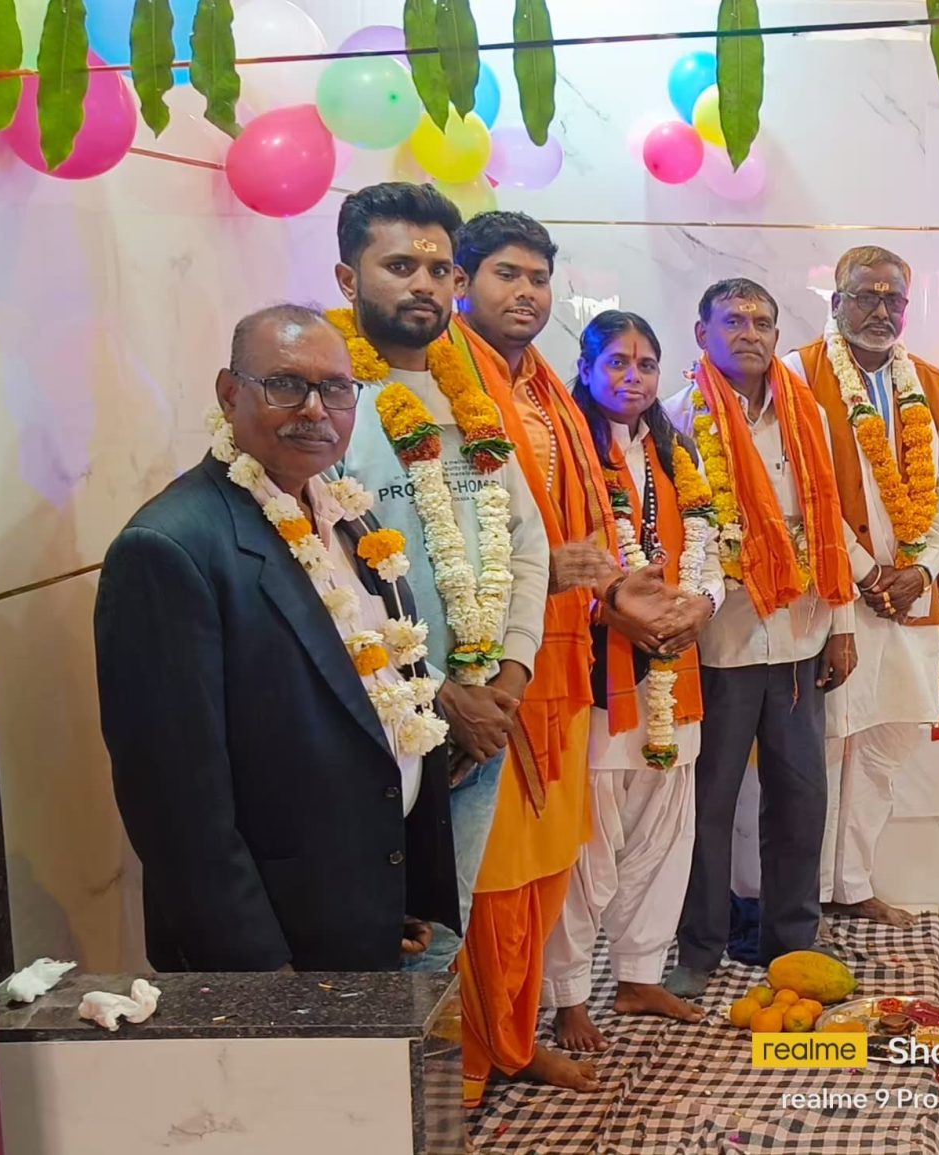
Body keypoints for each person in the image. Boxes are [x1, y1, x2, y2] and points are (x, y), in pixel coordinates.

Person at [97, 305, 454, 972]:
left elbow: (377, 703)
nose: (315, 410)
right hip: (274, 944)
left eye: (336, 388)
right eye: (286, 384)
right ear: (230, 393)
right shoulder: (172, 547)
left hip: (363, 907)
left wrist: (398, 891)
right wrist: (262, 978)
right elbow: (177, 809)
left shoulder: (346, 514)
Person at [449, 214, 709, 1098]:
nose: (526, 292)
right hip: (508, 668)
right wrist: (580, 588)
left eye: (538, 278)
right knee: (517, 867)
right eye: (506, 274)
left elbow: (593, 533)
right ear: (464, 283)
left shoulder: (551, 398)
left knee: (562, 858)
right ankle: (495, 1042)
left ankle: (526, 1029)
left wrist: (648, 598)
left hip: (574, 657)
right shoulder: (451, 384)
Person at [330, 184, 552, 978]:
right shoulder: (330, 402)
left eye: (438, 268)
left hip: (481, 720)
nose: (423, 284)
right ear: (348, 279)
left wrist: (507, 682)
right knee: (375, 943)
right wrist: (435, 694)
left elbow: (527, 544)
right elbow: (326, 578)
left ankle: (438, 1065)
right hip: (376, 726)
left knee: (443, 933)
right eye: (399, 265)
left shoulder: (473, 397)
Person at [667, 278, 859, 997]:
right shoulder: (678, 416)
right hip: (720, 642)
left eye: (762, 322)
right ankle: (699, 948)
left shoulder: (805, 412)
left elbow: (828, 517)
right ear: (702, 333)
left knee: (801, 798)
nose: (749, 333)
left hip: (802, 635)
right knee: (709, 802)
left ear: (777, 335)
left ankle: (792, 940)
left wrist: (842, 626)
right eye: (733, 321)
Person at [544, 310, 724, 1054]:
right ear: (586, 369)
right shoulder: (564, 448)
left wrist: (703, 605)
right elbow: (551, 557)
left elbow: (711, 545)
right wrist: (617, 613)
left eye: (646, 364)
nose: (633, 377)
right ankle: (567, 994)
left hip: (675, 669)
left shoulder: (675, 452)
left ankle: (640, 974)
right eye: (616, 362)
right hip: (599, 671)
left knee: (665, 830)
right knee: (590, 844)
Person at [788, 246, 939, 928]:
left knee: (885, 743)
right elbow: (803, 491)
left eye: (894, 298)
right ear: (836, 301)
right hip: (835, 596)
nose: (881, 310)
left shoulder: (926, 383)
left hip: (909, 599)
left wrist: (921, 569)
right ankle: (807, 894)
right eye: (866, 295)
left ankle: (853, 884)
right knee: (827, 745)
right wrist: (866, 571)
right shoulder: (799, 374)